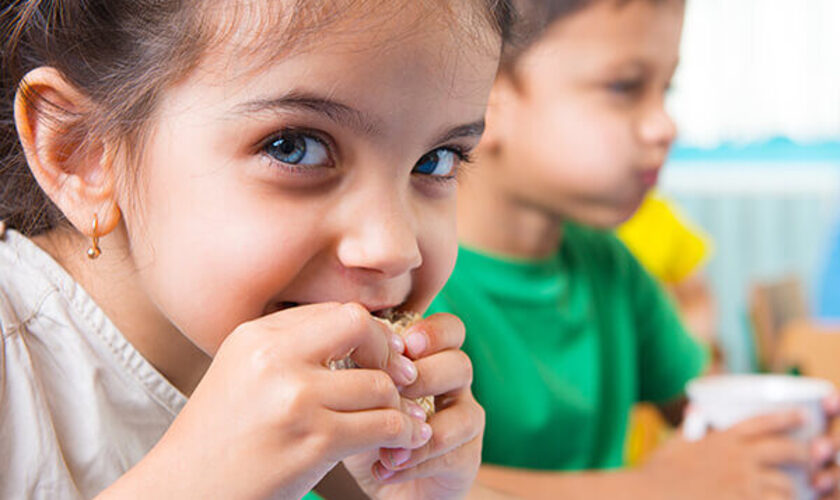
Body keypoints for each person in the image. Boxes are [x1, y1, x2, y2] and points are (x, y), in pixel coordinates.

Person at [0, 1, 514, 498]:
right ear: (81, 151)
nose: (394, 249)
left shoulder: (331, 431)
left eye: (436, 160)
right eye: (294, 146)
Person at [428, 0, 840, 498]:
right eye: (624, 87)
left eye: (667, 89)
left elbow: (709, 406)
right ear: (484, 96)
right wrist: (650, 487)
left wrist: (795, 445)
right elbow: (411, 486)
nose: (665, 127)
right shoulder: (413, 284)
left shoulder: (611, 266)